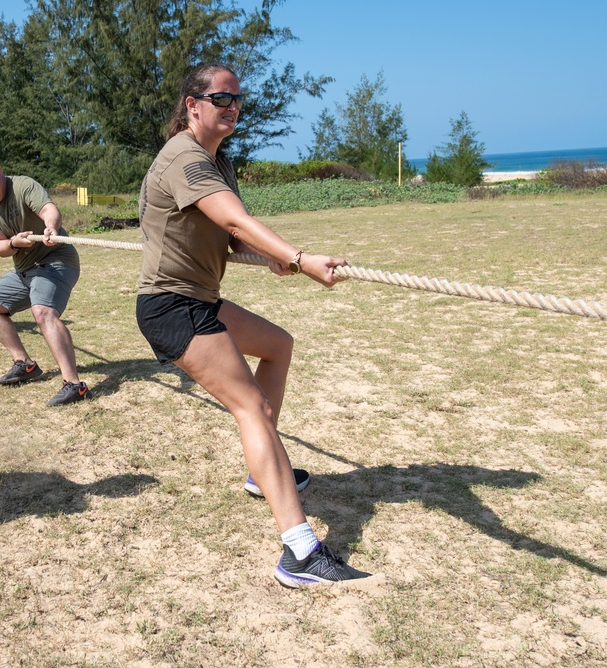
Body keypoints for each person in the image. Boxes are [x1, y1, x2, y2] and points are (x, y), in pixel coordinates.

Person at [135, 63, 371, 587]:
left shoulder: (220, 162)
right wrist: (300, 257)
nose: (232, 107)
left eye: (238, 99)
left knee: (279, 346)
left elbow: (231, 233)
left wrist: (270, 257)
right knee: (253, 408)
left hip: (200, 298)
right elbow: (235, 219)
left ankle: (259, 474)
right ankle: (301, 553)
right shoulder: (183, 157)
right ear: (192, 105)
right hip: (171, 307)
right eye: (221, 98)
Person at [0, 152, 91, 406]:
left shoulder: (23, 185)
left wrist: (51, 227)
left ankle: (74, 385)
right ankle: (25, 364)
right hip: (25, 269)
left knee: (42, 311)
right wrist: (13, 243)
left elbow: (49, 209)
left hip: (57, 259)